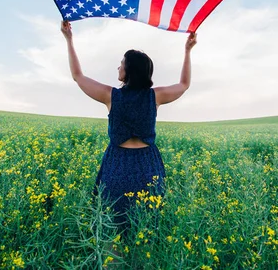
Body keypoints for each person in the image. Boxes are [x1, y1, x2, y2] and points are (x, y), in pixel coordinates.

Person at [60, 20, 197, 240]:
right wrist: (188, 51)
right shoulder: (155, 96)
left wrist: (69, 39)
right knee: (146, 228)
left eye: (121, 63)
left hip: (118, 165)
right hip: (147, 165)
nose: (118, 67)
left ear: (129, 70)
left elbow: (78, 76)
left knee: (112, 228)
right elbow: (184, 84)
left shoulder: (110, 96)